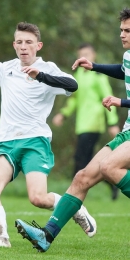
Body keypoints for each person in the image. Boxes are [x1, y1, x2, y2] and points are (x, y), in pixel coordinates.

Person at [0, 7, 97, 248]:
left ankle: (74, 206)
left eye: (29, 42)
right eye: (19, 42)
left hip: (35, 141)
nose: (23, 46)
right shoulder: (6, 69)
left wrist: (40, 76)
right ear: (14, 45)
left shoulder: (48, 69)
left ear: (38, 46)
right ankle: (0, 238)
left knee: (38, 198)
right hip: (6, 143)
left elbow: (72, 85)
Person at [15, 7, 130, 253]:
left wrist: (120, 102)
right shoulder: (128, 56)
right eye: (121, 30)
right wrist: (95, 66)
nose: (122, 35)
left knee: (110, 167)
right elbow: (123, 71)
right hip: (127, 130)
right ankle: (46, 235)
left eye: (127, 31)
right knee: (82, 178)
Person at [52, 43, 120, 200]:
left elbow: (109, 98)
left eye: (87, 55)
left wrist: (113, 123)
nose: (84, 58)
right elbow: (74, 100)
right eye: (81, 55)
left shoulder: (98, 76)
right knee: (87, 161)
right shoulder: (79, 76)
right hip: (81, 124)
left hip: (94, 123)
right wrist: (63, 114)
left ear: (93, 56)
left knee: (80, 159)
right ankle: (112, 181)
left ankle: (72, 195)